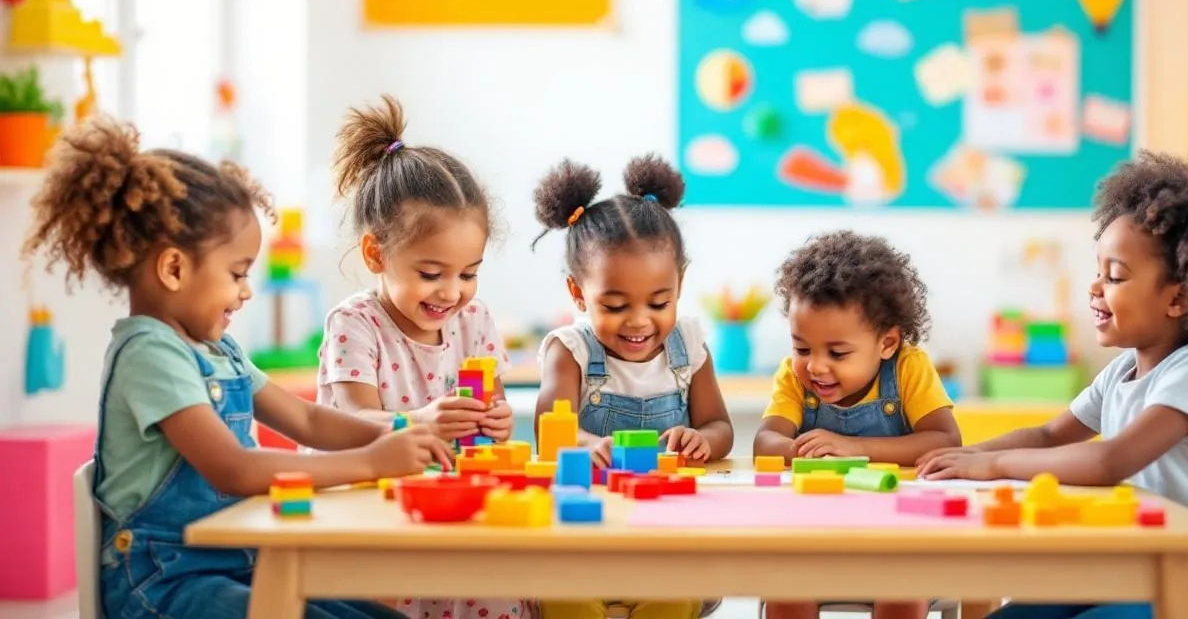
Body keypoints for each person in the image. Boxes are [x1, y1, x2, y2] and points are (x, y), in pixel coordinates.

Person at [24, 116, 445, 619]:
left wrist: (400, 432)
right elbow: (235, 469)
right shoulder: (149, 353)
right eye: (237, 274)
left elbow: (307, 420)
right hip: (164, 580)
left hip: (237, 562)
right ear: (174, 268)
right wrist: (374, 462)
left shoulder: (219, 350)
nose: (247, 291)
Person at [917, 152, 1188, 619]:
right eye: (1099, 272)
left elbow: (1108, 461)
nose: (1095, 288)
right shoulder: (1121, 372)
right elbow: (1050, 435)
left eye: (1115, 276)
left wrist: (992, 465)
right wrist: (968, 456)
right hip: (1127, 567)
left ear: (1180, 297)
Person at [319, 96, 528, 619]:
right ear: (376, 255)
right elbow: (349, 421)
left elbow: (493, 417)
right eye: (431, 274)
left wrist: (498, 421)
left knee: (499, 583)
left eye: (468, 272)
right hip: (375, 508)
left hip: (453, 507)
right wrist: (416, 423)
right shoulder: (356, 324)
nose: (452, 292)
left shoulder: (474, 319)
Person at [532, 155, 732, 619]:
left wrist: (701, 439)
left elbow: (719, 426)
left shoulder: (690, 345)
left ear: (679, 285)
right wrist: (585, 445)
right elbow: (547, 433)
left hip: (666, 538)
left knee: (676, 597)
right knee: (566, 600)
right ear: (579, 294)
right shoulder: (571, 350)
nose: (640, 321)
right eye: (616, 305)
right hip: (583, 540)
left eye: (659, 302)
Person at [756, 230, 960, 619]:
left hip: (901, 540)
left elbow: (944, 440)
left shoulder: (907, 368)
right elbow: (765, 442)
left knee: (903, 593)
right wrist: (802, 450)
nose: (815, 365)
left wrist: (853, 448)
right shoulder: (792, 377)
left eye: (837, 352)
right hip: (812, 540)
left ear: (886, 343)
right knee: (784, 592)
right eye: (802, 348)